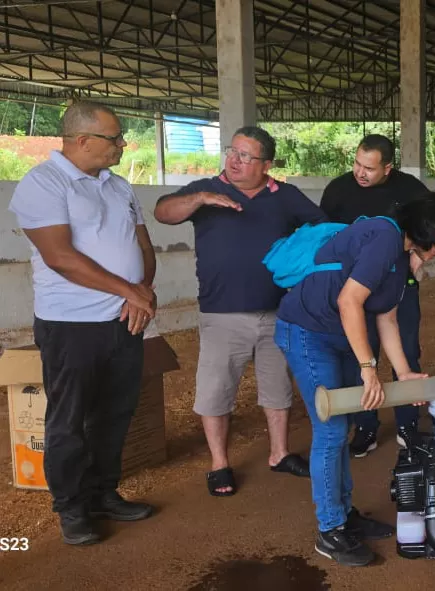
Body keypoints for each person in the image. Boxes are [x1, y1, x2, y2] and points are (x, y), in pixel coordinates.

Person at [273, 191, 435, 567]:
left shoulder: (400, 259)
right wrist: (369, 368)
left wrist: (404, 372)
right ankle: (330, 530)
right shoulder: (384, 236)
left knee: (341, 429)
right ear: (431, 229)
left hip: (341, 338)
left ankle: (344, 515)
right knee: (329, 430)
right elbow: (349, 301)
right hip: (308, 333)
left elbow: (386, 319)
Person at [8, 101, 158, 545]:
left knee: (114, 414)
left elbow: (143, 245)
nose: (123, 145)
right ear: (82, 141)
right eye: (115, 138)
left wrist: (142, 292)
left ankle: (103, 493)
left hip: (124, 320)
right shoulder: (43, 183)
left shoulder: (119, 185)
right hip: (71, 325)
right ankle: (72, 509)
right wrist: (129, 291)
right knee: (69, 421)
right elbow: (61, 258)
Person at [154, 126, 326, 497]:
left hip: (279, 311)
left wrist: (300, 264)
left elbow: (320, 230)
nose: (234, 160)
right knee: (216, 390)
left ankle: (279, 454)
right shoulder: (207, 190)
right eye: (232, 151)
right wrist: (201, 198)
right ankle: (219, 464)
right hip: (222, 312)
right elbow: (163, 213)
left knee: (277, 386)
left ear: (266, 164)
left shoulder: (286, 196)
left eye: (245, 156)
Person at [319, 134, 429, 457]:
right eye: (357, 163)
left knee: (406, 353)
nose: (360, 173)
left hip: (398, 287)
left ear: (388, 168)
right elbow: (324, 235)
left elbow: (432, 226)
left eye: (369, 168)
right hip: (355, 289)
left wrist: (420, 255)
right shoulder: (337, 190)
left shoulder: (410, 191)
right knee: (361, 357)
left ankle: (408, 425)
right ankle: (366, 427)